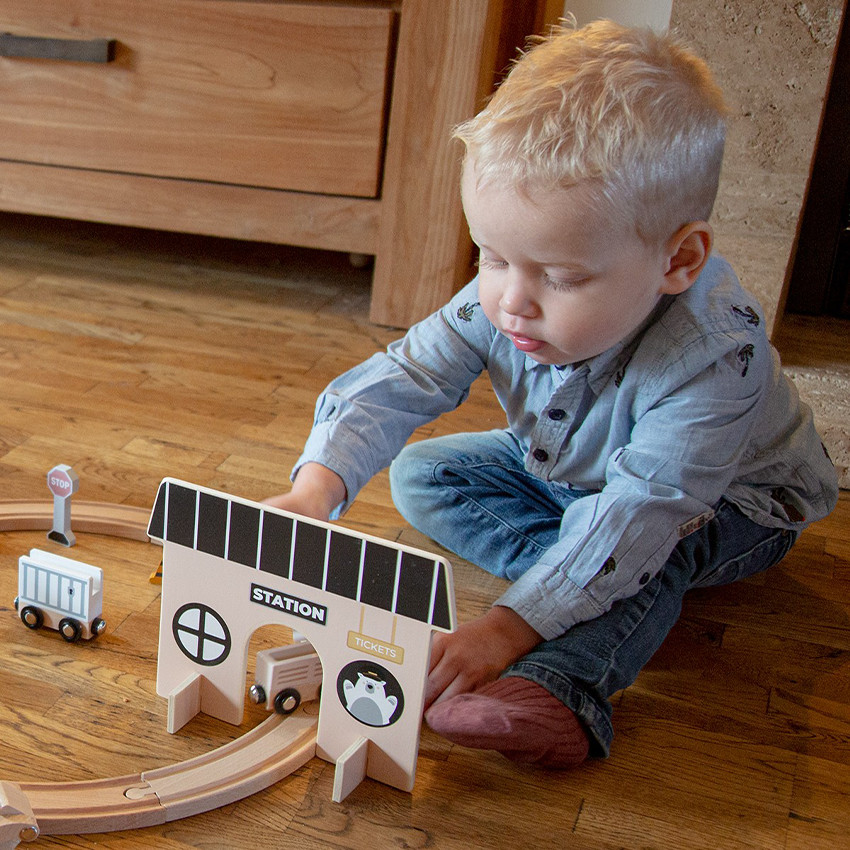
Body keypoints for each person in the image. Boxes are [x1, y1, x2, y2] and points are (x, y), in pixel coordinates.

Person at [265, 20, 839, 768]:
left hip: (724, 504)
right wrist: (316, 490)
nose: (511, 301)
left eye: (561, 277)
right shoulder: (504, 296)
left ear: (679, 259)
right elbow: (406, 377)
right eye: (493, 257)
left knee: (642, 550)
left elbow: (643, 511)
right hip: (574, 468)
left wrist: (504, 630)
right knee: (425, 475)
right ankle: (580, 584)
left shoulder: (713, 361)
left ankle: (566, 685)